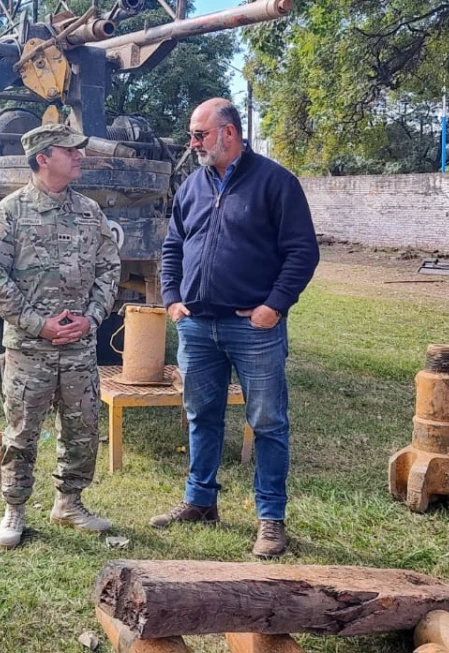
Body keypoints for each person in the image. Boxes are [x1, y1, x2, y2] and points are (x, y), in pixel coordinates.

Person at [151, 98, 319, 558]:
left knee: (267, 422)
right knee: (200, 415)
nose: (193, 143)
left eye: (200, 134)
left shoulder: (276, 183)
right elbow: (172, 246)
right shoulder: (191, 185)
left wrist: (275, 306)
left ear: (229, 133)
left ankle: (270, 519)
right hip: (198, 327)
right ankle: (200, 501)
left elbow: (302, 252)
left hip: (254, 328)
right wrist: (172, 300)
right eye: (192, 134)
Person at [0, 123, 121, 549]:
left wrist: (91, 319)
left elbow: (109, 269)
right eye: (70, 150)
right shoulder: (10, 212)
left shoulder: (89, 212)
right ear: (43, 158)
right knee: (21, 432)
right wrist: (37, 323)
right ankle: (14, 509)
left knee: (82, 427)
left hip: (79, 345)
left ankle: (69, 502)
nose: (80, 156)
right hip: (28, 348)